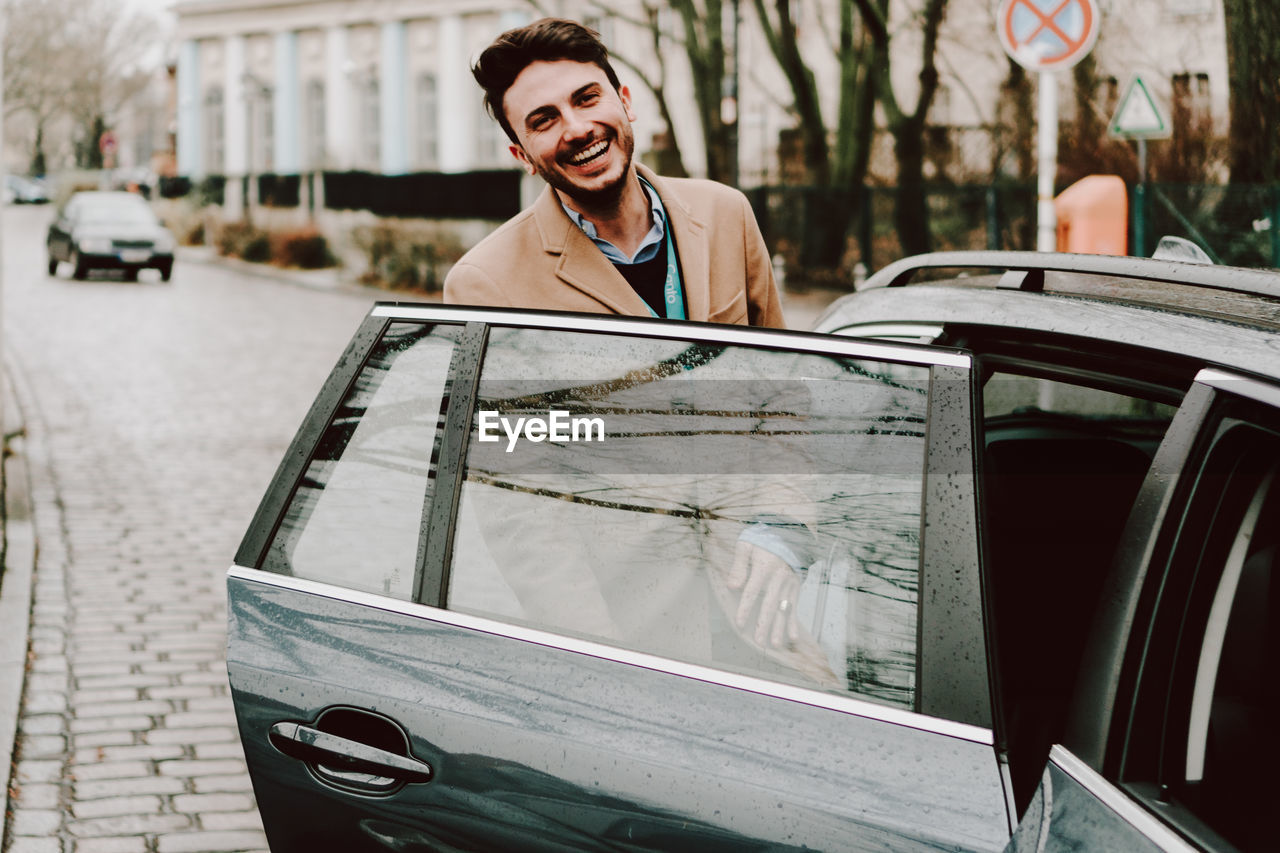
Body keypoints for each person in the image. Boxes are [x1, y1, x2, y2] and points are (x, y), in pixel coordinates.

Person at [444, 17, 785, 328]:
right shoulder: (485, 281)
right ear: (523, 156)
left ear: (626, 102)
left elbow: (780, 377)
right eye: (544, 120)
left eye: (587, 98)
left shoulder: (726, 213)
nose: (577, 129)